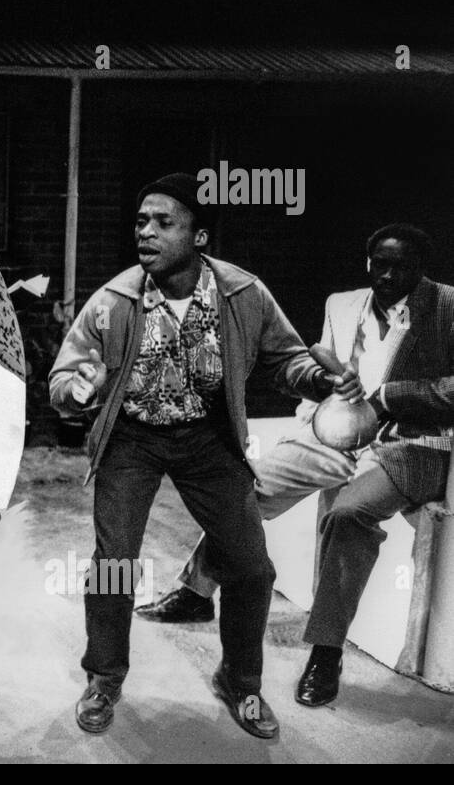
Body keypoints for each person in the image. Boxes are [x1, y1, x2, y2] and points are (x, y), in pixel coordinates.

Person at [49, 172, 350, 739]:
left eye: (164, 222)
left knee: (252, 567)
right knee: (115, 562)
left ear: (200, 236)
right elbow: (63, 379)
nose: (146, 232)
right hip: (132, 438)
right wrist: (77, 390)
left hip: (208, 436)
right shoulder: (115, 300)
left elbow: (287, 359)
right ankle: (104, 677)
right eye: (141, 221)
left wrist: (319, 380)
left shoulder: (243, 294)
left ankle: (241, 681)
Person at [135, 223, 454, 707]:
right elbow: (318, 374)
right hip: (334, 436)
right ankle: (196, 592)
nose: (388, 276)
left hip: (405, 445)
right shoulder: (342, 305)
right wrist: (318, 409)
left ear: (421, 268)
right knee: (246, 489)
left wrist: (389, 397)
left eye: (401, 267)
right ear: (368, 262)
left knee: (348, 514)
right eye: (380, 264)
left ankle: (326, 653)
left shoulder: (448, 306)